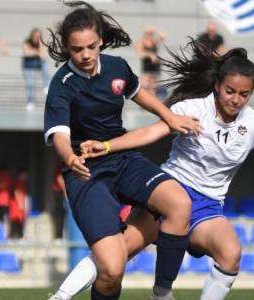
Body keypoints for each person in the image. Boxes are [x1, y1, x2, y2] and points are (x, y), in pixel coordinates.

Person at [50, 38, 254, 300]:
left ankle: (161, 293)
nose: (236, 99)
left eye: (244, 94)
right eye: (230, 91)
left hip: (207, 207)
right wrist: (107, 146)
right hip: (168, 194)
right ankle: (62, 295)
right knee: (117, 254)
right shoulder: (193, 109)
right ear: (217, 86)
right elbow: (151, 132)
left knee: (231, 254)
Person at [44, 2, 201, 299]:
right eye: (78, 49)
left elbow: (141, 94)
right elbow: (61, 136)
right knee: (112, 270)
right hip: (86, 170)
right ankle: (86, 281)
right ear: (68, 47)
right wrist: (70, 157)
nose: (86, 54)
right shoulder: (61, 85)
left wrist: (170, 117)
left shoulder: (117, 67)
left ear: (101, 39)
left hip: (123, 158)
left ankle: (162, 293)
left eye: (91, 46)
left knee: (178, 204)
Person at [22, 28, 50, 111]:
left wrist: (40, 45)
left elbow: (43, 57)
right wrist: (36, 52)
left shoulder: (42, 43)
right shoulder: (27, 42)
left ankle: (46, 85)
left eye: (38, 36)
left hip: (39, 65)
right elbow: (26, 52)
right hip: (29, 66)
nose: (36, 38)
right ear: (32, 36)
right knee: (30, 84)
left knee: (45, 66)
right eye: (35, 36)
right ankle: (30, 102)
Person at [136, 26, 166, 95]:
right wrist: (150, 55)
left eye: (151, 34)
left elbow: (163, 36)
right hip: (147, 64)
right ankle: (145, 97)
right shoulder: (141, 42)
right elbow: (140, 53)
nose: (149, 35)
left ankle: (153, 97)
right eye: (148, 33)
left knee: (154, 83)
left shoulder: (154, 41)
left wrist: (156, 30)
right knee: (145, 82)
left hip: (155, 64)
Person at [9, 168, 29, 239]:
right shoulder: (18, 182)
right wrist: (20, 203)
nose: (26, 176)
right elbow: (17, 192)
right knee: (16, 220)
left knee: (20, 220)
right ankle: (13, 236)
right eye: (24, 174)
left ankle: (20, 235)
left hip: (21, 205)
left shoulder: (23, 183)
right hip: (16, 205)